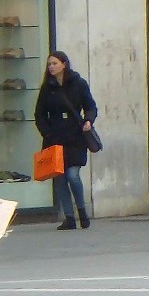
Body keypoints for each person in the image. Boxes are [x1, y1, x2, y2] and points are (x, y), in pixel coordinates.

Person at [34, 51, 100, 230]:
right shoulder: (47, 87)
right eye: (49, 64)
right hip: (55, 138)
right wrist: (47, 133)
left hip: (75, 136)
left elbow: (91, 106)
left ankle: (82, 211)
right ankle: (69, 217)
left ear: (64, 64)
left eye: (54, 63)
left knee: (72, 175)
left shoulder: (78, 83)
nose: (51, 67)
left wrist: (88, 120)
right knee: (60, 179)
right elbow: (39, 114)